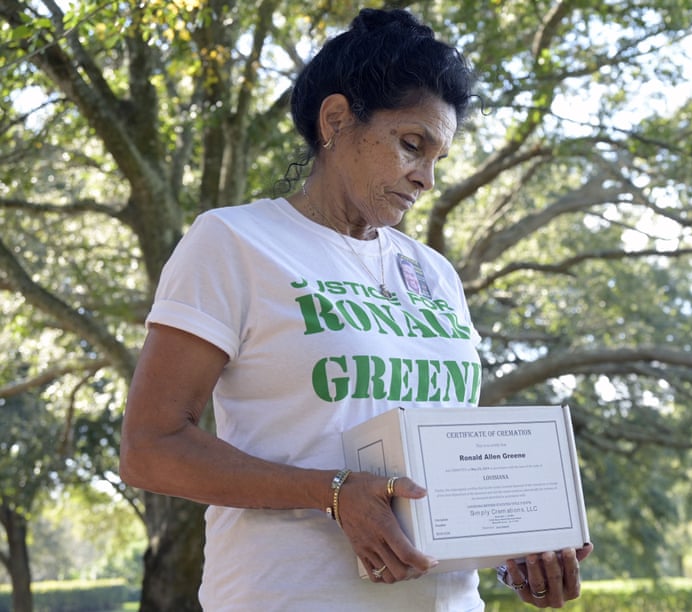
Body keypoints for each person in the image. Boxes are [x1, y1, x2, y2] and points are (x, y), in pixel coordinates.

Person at [119, 7, 592, 611]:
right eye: (410, 145)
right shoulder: (234, 243)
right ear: (337, 120)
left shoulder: (435, 274)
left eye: (436, 160)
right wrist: (333, 492)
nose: (424, 178)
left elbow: (444, 475)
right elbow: (150, 447)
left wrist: (519, 546)